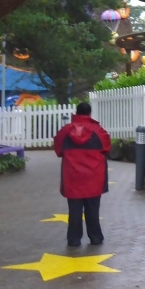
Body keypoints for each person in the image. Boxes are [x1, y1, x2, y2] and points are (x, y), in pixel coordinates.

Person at [53, 102, 110, 247]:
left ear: (76, 112)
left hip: (72, 176)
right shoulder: (98, 131)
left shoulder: (65, 131)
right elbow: (107, 148)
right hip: (94, 176)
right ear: (90, 113)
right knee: (93, 209)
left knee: (74, 210)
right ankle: (95, 237)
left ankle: (74, 239)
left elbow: (58, 150)